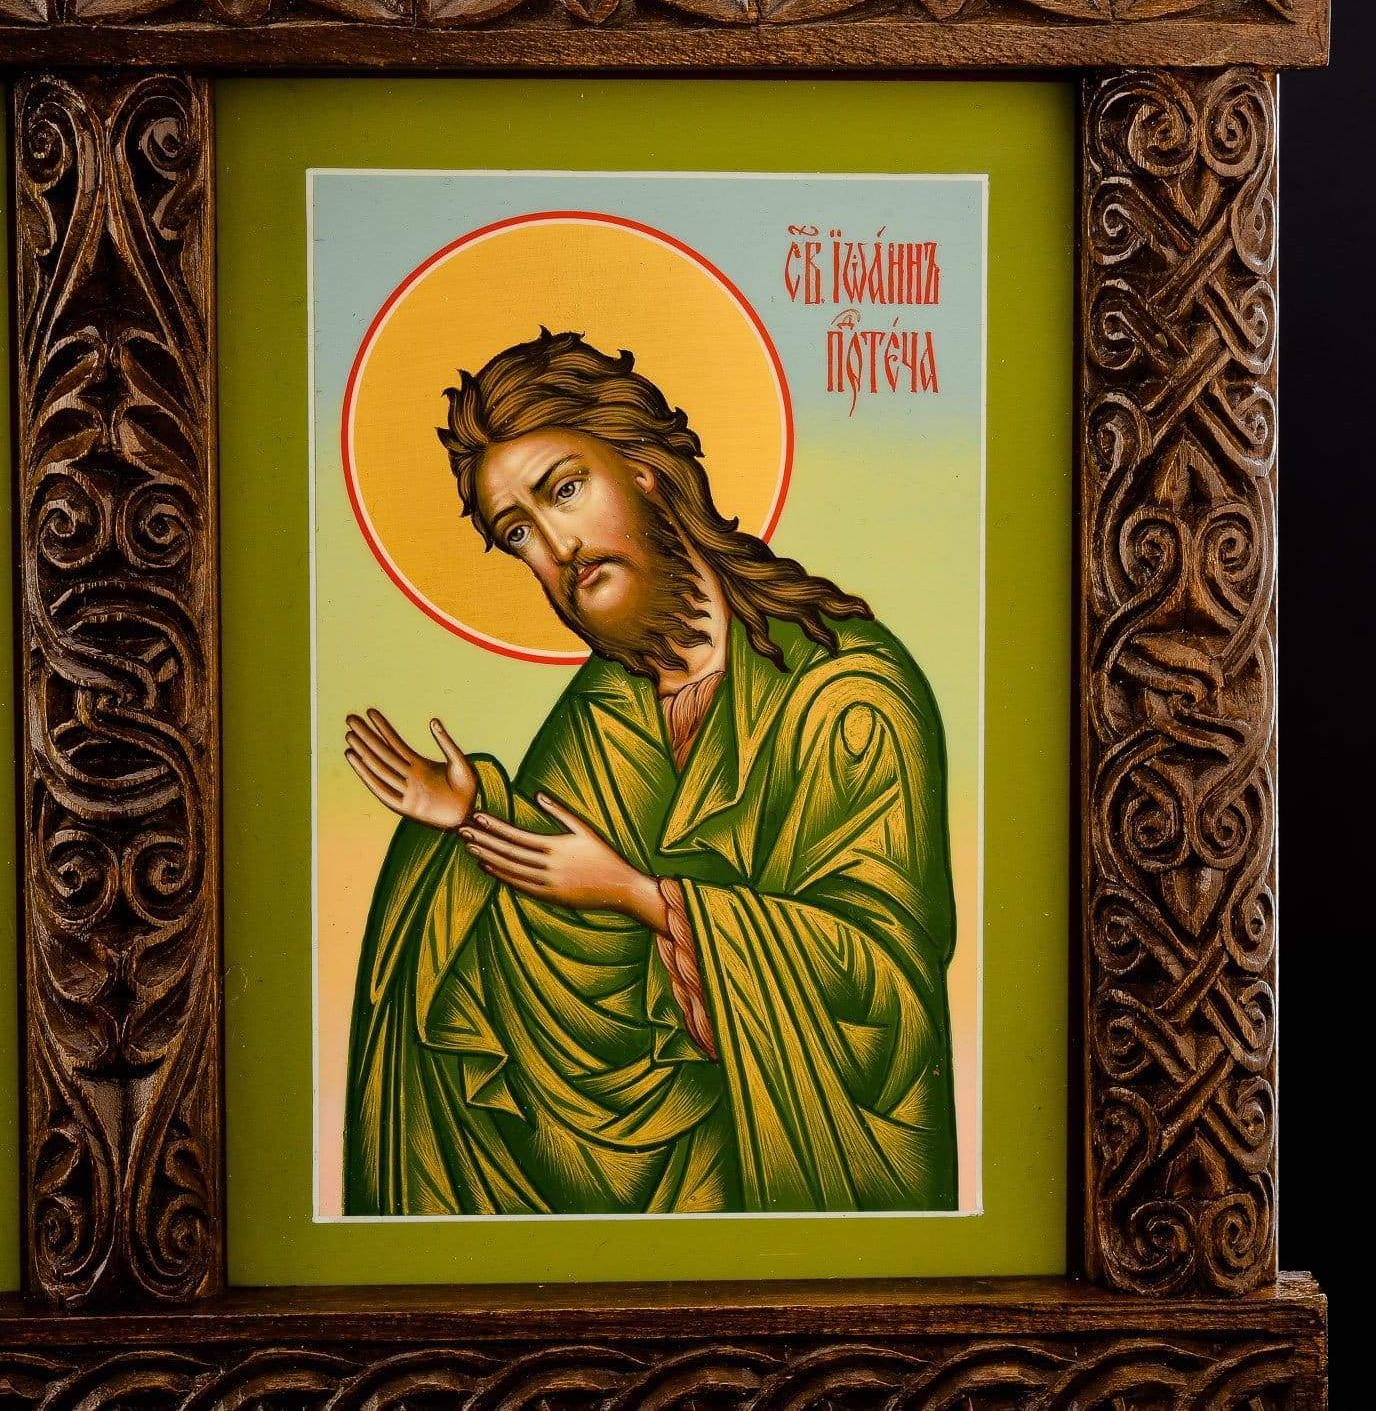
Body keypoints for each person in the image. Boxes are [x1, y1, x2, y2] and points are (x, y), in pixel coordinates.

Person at [342, 329, 958, 1214]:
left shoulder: (846, 695)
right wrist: (473, 823)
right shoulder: (608, 709)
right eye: (518, 531)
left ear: (643, 469)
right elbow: (554, 971)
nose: (556, 544)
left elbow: (886, 1004)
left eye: (564, 489)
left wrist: (643, 897)